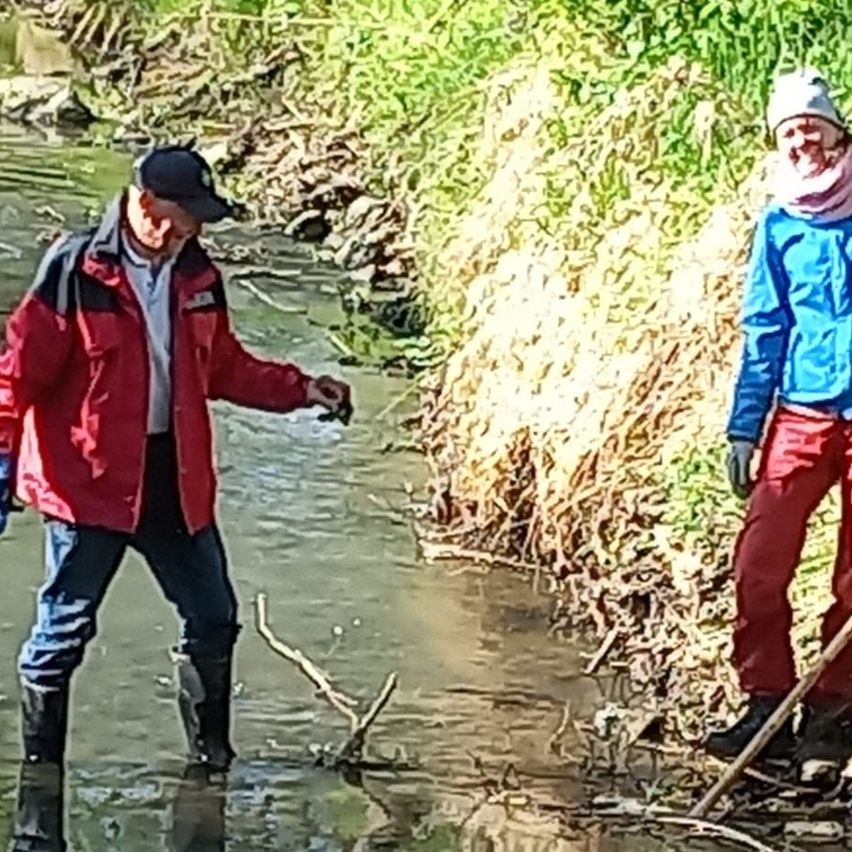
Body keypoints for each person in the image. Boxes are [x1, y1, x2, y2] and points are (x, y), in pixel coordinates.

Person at [0, 143, 352, 774]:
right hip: (88, 486)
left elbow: (222, 367)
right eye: (178, 214)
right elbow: (16, 379)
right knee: (61, 636)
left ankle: (209, 765)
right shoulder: (72, 270)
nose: (186, 229)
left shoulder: (197, 277)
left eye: (195, 218)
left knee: (215, 617)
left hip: (175, 481)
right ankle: (38, 781)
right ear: (141, 201)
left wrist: (301, 388)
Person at [706, 69, 852, 777]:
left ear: (837, 133)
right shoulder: (780, 223)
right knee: (760, 565)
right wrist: (744, 427)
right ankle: (766, 702)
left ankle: (832, 714)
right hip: (800, 411)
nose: (802, 140)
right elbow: (765, 328)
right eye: (789, 131)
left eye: (813, 127)